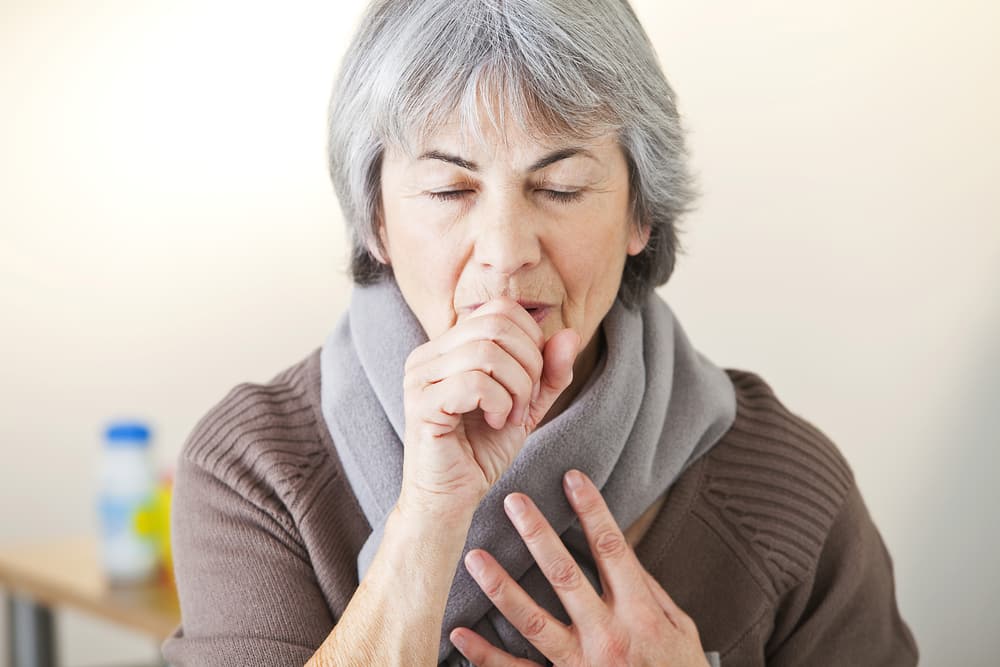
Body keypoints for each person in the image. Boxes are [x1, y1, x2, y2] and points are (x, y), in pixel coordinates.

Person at [161, 1, 918, 665]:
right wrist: (427, 517)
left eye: (559, 187)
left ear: (639, 213)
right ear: (377, 221)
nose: (505, 249)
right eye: (450, 188)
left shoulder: (785, 483)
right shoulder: (255, 472)